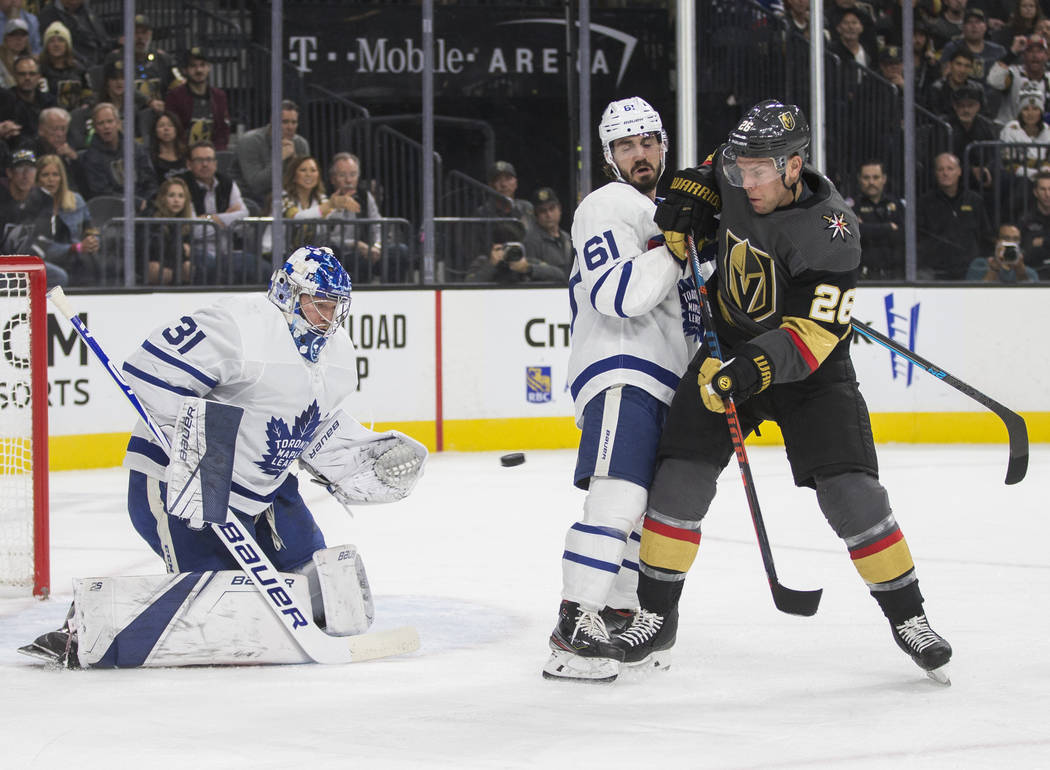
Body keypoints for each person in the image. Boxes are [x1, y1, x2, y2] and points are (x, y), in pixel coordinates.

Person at [610, 99, 953, 685]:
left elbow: (816, 334)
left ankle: (909, 616)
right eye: (740, 168)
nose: (747, 181)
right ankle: (654, 614)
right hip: (728, 350)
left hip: (811, 373)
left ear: (795, 166)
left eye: (760, 172)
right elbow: (703, 177)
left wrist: (750, 370)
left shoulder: (833, 234)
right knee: (679, 477)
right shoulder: (739, 166)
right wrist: (690, 199)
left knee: (853, 495)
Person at [18, 246, 427, 668]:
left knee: (322, 587)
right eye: (317, 304)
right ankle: (83, 627)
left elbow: (310, 424)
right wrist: (200, 452)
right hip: (179, 486)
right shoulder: (238, 325)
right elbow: (150, 371)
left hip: (265, 492)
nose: (327, 318)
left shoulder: (338, 354)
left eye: (334, 307)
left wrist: (352, 457)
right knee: (214, 603)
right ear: (287, 292)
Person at [542, 97, 700, 683]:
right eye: (626, 145)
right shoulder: (609, 204)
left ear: (664, 145)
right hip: (622, 368)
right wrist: (675, 244)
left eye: (648, 141)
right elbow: (619, 294)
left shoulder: (667, 215)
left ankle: (615, 609)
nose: (641, 153)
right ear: (609, 157)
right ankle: (572, 620)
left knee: (646, 515)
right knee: (617, 500)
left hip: (667, 381)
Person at [176, 139, 248, 281]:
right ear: (189, 164)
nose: (205, 164)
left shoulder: (227, 183)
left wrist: (209, 219)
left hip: (228, 251)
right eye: (199, 160)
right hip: (194, 250)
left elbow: (244, 217)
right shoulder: (182, 185)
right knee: (212, 269)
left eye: (209, 159)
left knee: (262, 268)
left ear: (215, 163)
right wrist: (227, 219)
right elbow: (193, 229)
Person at [918, 152, 994, 279]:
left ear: (959, 171)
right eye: (941, 169)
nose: (945, 173)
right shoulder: (924, 202)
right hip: (935, 272)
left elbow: (985, 235)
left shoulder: (974, 201)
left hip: (970, 271)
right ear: (935, 173)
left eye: (950, 169)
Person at [0, 147, 69, 286]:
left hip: (29, 264)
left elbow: (44, 238)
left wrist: (25, 265)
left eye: (30, 169)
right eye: (20, 169)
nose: (25, 175)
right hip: (2, 264)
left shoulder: (44, 199)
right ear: (9, 173)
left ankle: (39, 308)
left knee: (59, 277)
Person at [35, 152, 98, 284]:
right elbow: (40, 248)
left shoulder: (76, 201)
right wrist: (76, 248)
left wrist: (93, 241)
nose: (51, 180)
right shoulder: (32, 206)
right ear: (37, 179)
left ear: (62, 178)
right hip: (48, 261)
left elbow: (91, 229)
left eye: (55, 175)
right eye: (45, 175)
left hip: (77, 260)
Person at [80, 101, 157, 208]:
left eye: (110, 121)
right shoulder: (91, 157)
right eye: (101, 123)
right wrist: (136, 202)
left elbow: (149, 180)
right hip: (112, 211)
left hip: (144, 205)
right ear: (95, 128)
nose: (106, 126)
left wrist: (146, 201)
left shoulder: (135, 147)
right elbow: (102, 193)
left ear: (118, 123)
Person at [236, 99, 310, 203]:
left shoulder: (300, 144)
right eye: (284, 122)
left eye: (294, 122)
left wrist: (295, 162)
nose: (290, 127)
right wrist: (279, 160)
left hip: (286, 199)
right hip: (251, 199)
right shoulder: (250, 141)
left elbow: (306, 182)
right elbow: (257, 186)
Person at [164, 46, 230, 150]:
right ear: (185, 70)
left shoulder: (219, 96)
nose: (199, 70)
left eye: (202, 65)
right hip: (184, 154)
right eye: (193, 66)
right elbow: (172, 131)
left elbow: (223, 131)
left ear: (209, 68)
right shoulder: (174, 96)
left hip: (212, 154)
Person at [850, 159, 905, 279]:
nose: (871, 182)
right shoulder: (852, 206)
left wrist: (867, 228)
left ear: (884, 179)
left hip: (894, 276)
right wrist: (888, 227)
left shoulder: (896, 204)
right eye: (866, 178)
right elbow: (853, 234)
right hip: (863, 276)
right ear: (859, 179)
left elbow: (902, 236)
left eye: (876, 177)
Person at [986, 33, 1050, 125]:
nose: (1035, 55)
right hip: (1008, 129)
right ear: (1024, 55)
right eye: (1030, 51)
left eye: (1039, 51)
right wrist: (1012, 52)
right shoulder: (1013, 73)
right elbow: (993, 81)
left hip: (1038, 133)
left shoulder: (1048, 78)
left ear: (1046, 55)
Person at [144, 175, 197, 285]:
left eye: (181, 196)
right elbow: (156, 248)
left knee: (188, 268)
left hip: (173, 260)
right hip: (150, 260)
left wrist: (184, 248)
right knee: (158, 270)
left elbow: (189, 250)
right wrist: (182, 247)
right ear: (163, 198)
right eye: (171, 195)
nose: (176, 200)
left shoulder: (185, 221)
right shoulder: (153, 217)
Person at [940, 8, 1007, 84]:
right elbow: (945, 78)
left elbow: (1005, 81)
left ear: (985, 27)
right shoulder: (952, 48)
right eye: (969, 22)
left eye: (978, 22)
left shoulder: (998, 51)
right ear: (963, 27)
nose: (974, 26)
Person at [521, 186, 573, 282]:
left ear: (559, 209)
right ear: (536, 215)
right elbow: (529, 274)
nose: (548, 214)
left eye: (552, 209)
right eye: (542, 211)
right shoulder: (531, 240)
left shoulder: (567, 237)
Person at [37, 0, 111, 67]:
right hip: (77, 64)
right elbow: (58, 48)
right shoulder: (48, 15)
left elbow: (102, 38)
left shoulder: (87, 9)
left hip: (101, 58)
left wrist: (115, 43)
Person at [37, 21, 90, 113]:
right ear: (46, 46)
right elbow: (41, 100)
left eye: (61, 40)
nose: (56, 44)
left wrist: (86, 105)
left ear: (67, 45)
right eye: (51, 41)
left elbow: (88, 94)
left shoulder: (79, 69)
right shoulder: (40, 70)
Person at [999, 85, 1050, 179]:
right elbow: (1008, 163)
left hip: (1044, 178)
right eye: (1026, 109)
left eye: (1035, 109)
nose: (1031, 114)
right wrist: (1033, 173)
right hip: (1017, 179)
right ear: (1020, 112)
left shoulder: (1047, 130)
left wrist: (1043, 171)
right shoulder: (1011, 129)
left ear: (1041, 112)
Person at [474, 159, 536, 238]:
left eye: (508, 179)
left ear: (515, 183)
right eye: (498, 180)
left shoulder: (526, 208)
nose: (503, 184)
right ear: (490, 186)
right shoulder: (482, 213)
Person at [33, 106, 85, 193]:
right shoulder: (28, 149)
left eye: (63, 129)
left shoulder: (68, 152)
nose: (60, 134)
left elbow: (81, 185)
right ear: (41, 129)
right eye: (55, 129)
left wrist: (74, 159)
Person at [966, 221, 1040, 280]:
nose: (1011, 242)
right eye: (1006, 238)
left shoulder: (1029, 272)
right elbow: (975, 296)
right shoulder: (979, 265)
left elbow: (1031, 297)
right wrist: (994, 268)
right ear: (997, 241)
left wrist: (1021, 273)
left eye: (1015, 239)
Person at [9, 54, 57, 143]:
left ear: (39, 76)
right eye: (22, 74)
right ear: (14, 76)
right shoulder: (5, 102)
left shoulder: (50, 102)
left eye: (32, 74)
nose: (27, 78)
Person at [1018, 169, 1050, 272]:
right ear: (1035, 192)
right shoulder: (1025, 219)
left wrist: (1043, 241)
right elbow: (1026, 250)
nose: (1047, 194)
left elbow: (1035, 244)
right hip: (1034, 274)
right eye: (1043, 189)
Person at [148, 109, 188, 183]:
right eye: (161, 126)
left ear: (176, 129)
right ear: (155, 131)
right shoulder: (149, 157)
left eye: (170, 125)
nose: (166, 129)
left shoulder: (187, 154)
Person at [0, 17, 30, 89]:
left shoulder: (32, 61)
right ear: (6, 38)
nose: (18, 39)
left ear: (27, 39)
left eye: (22, 35)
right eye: (13, 35)